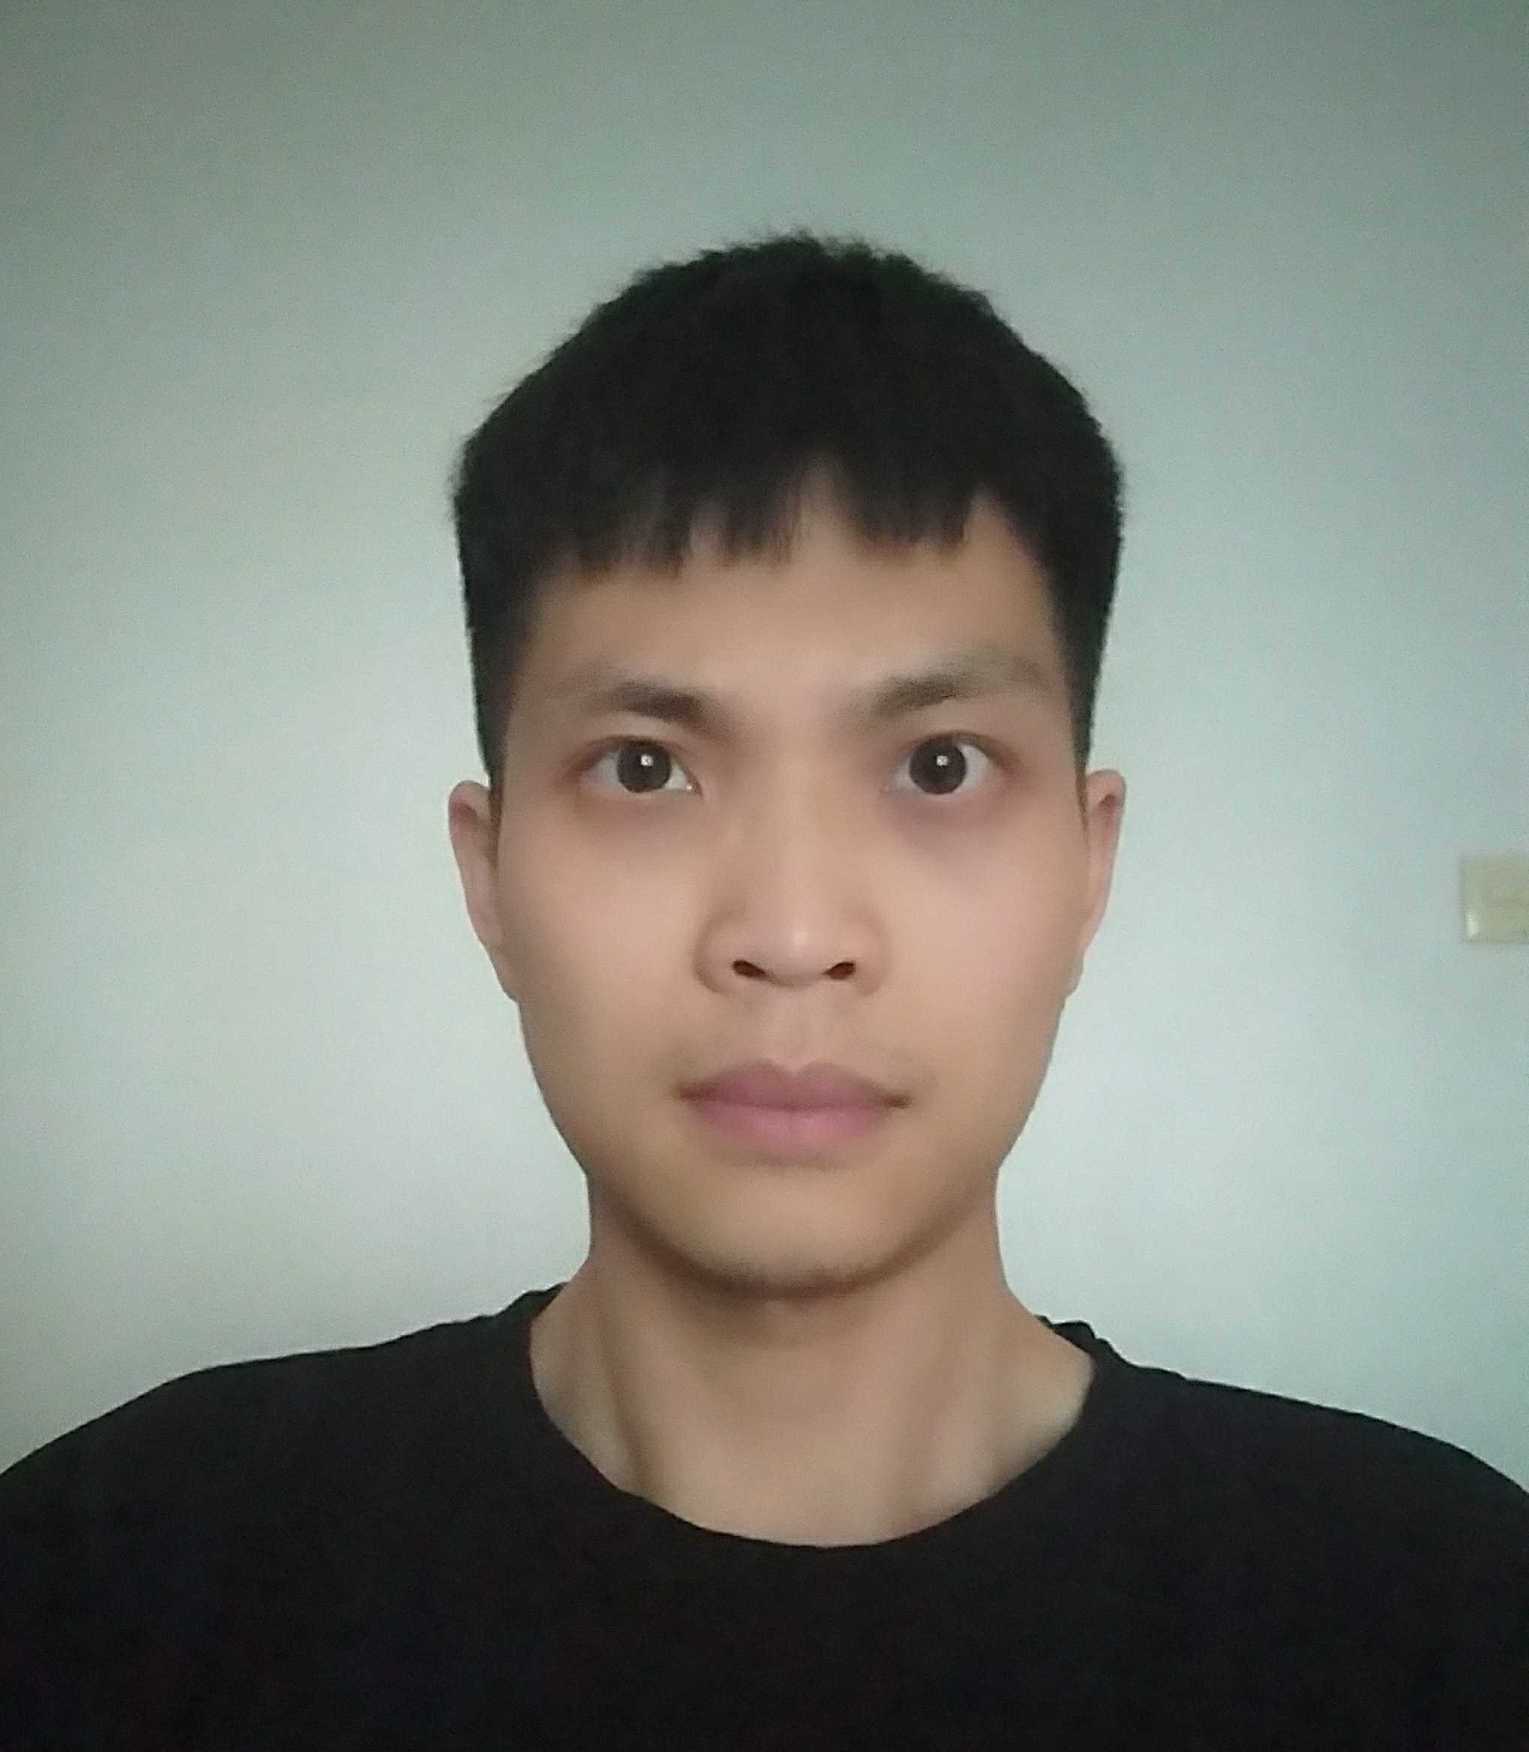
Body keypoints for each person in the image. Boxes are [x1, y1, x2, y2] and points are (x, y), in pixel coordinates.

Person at [2, 230, 1524, 1748]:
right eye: (643, 768)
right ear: (489, 877)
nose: (792, 933)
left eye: (940, 767)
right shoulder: (111, 1581)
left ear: (1088, 865)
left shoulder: (1442, 1614)